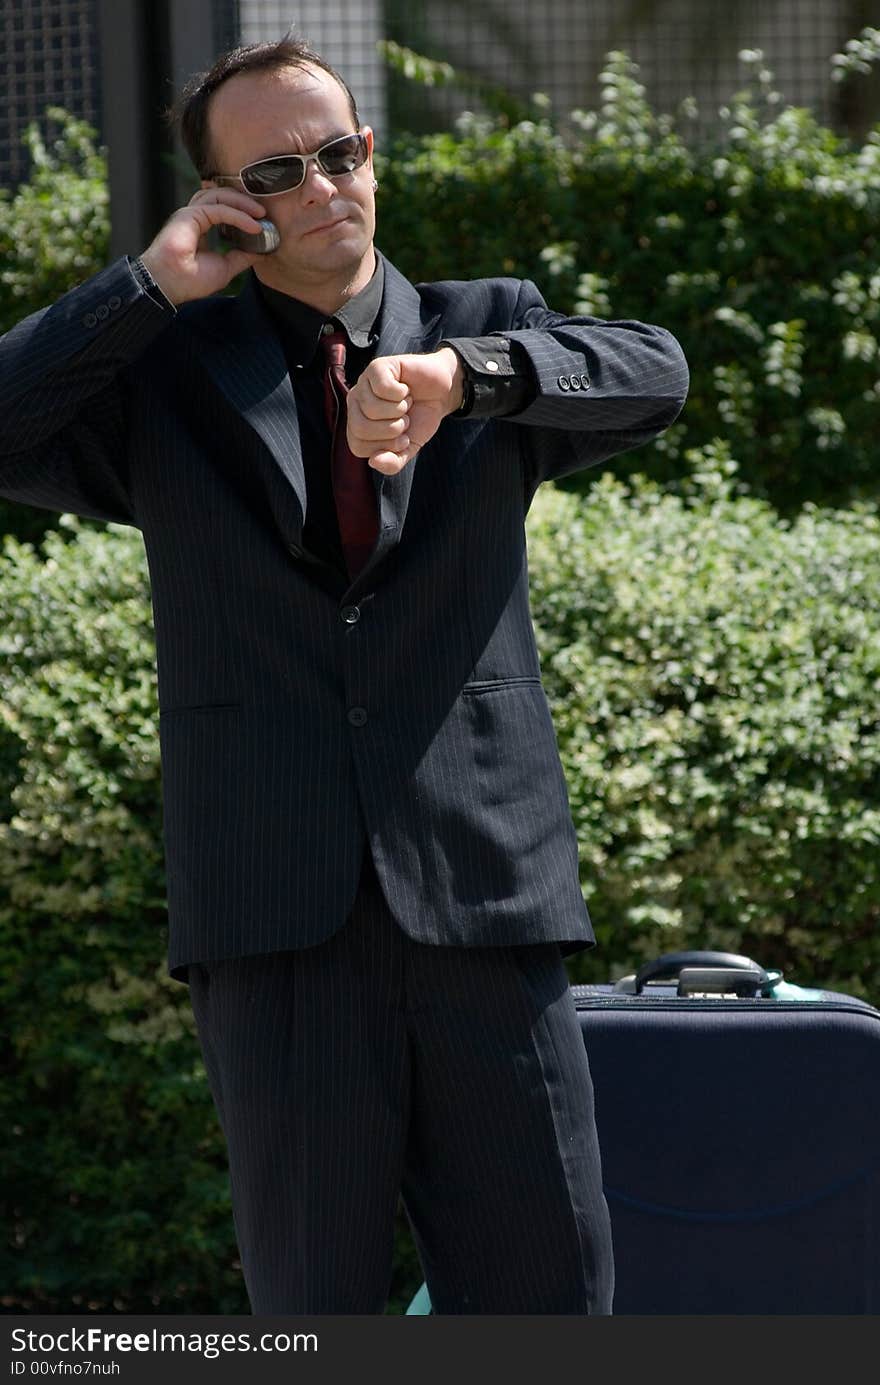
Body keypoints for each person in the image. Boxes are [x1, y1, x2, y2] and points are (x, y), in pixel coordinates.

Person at [0, 36, 689, 1315]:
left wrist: (459, 382)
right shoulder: (163, 382)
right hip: (277, 920)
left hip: (487, 906)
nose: (323, 185)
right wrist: (149, 284)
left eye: (340, 151)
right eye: (277, 168)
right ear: (226, 202)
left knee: (551, 1298)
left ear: (369, 151)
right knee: (310, 1311)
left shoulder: (487, 330)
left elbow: (656, 371)